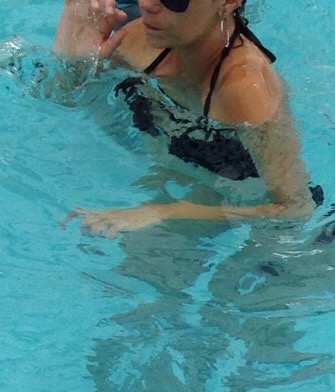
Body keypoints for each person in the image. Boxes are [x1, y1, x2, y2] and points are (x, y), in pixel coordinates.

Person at [52, 0, 321, 232]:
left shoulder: (246, 90)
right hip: (175, 171)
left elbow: (295, 207)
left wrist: (167, 212)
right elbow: (65, 102)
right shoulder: (138, 40)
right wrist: (74, 60)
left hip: (243, 201)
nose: (146, 4)